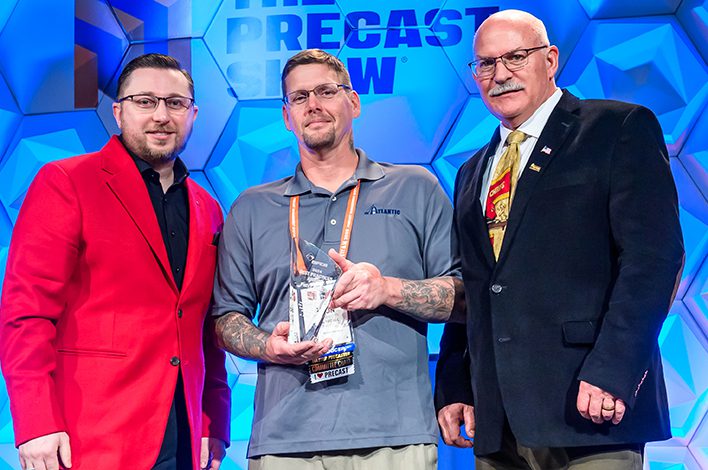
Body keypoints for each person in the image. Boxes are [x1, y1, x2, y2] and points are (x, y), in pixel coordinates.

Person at [434, 9, 684, 469]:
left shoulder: (616, 128)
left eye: (516, 57)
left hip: (591, 407)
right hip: (499, 418)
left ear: (550, 60)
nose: (500, 74)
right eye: (486, 63)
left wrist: (615, 371)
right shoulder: (471, 170)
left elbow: (654, 259)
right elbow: (473, 284)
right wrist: (456, 385)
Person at [212, 49, 463, 470]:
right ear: (286, 116)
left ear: (354, 102)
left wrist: (387, 289)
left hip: (394, 439)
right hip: (282, 441)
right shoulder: (251, 207)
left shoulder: (415, 188)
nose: (313, 105)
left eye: (327, 91)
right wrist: (268, 347)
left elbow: (464, 297)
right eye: (299, 97)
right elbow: (226, 319)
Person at [0, 53, 231, 470]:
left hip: (183, 433)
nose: (161, 115)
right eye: (146, 101)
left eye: (175, 103)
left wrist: (213, 419)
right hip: (93, 432)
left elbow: (204, 327)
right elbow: (26, 314)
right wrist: (35, 422)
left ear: (193, 114)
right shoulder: (67, 182)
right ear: (118, 111)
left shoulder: (208, 208)